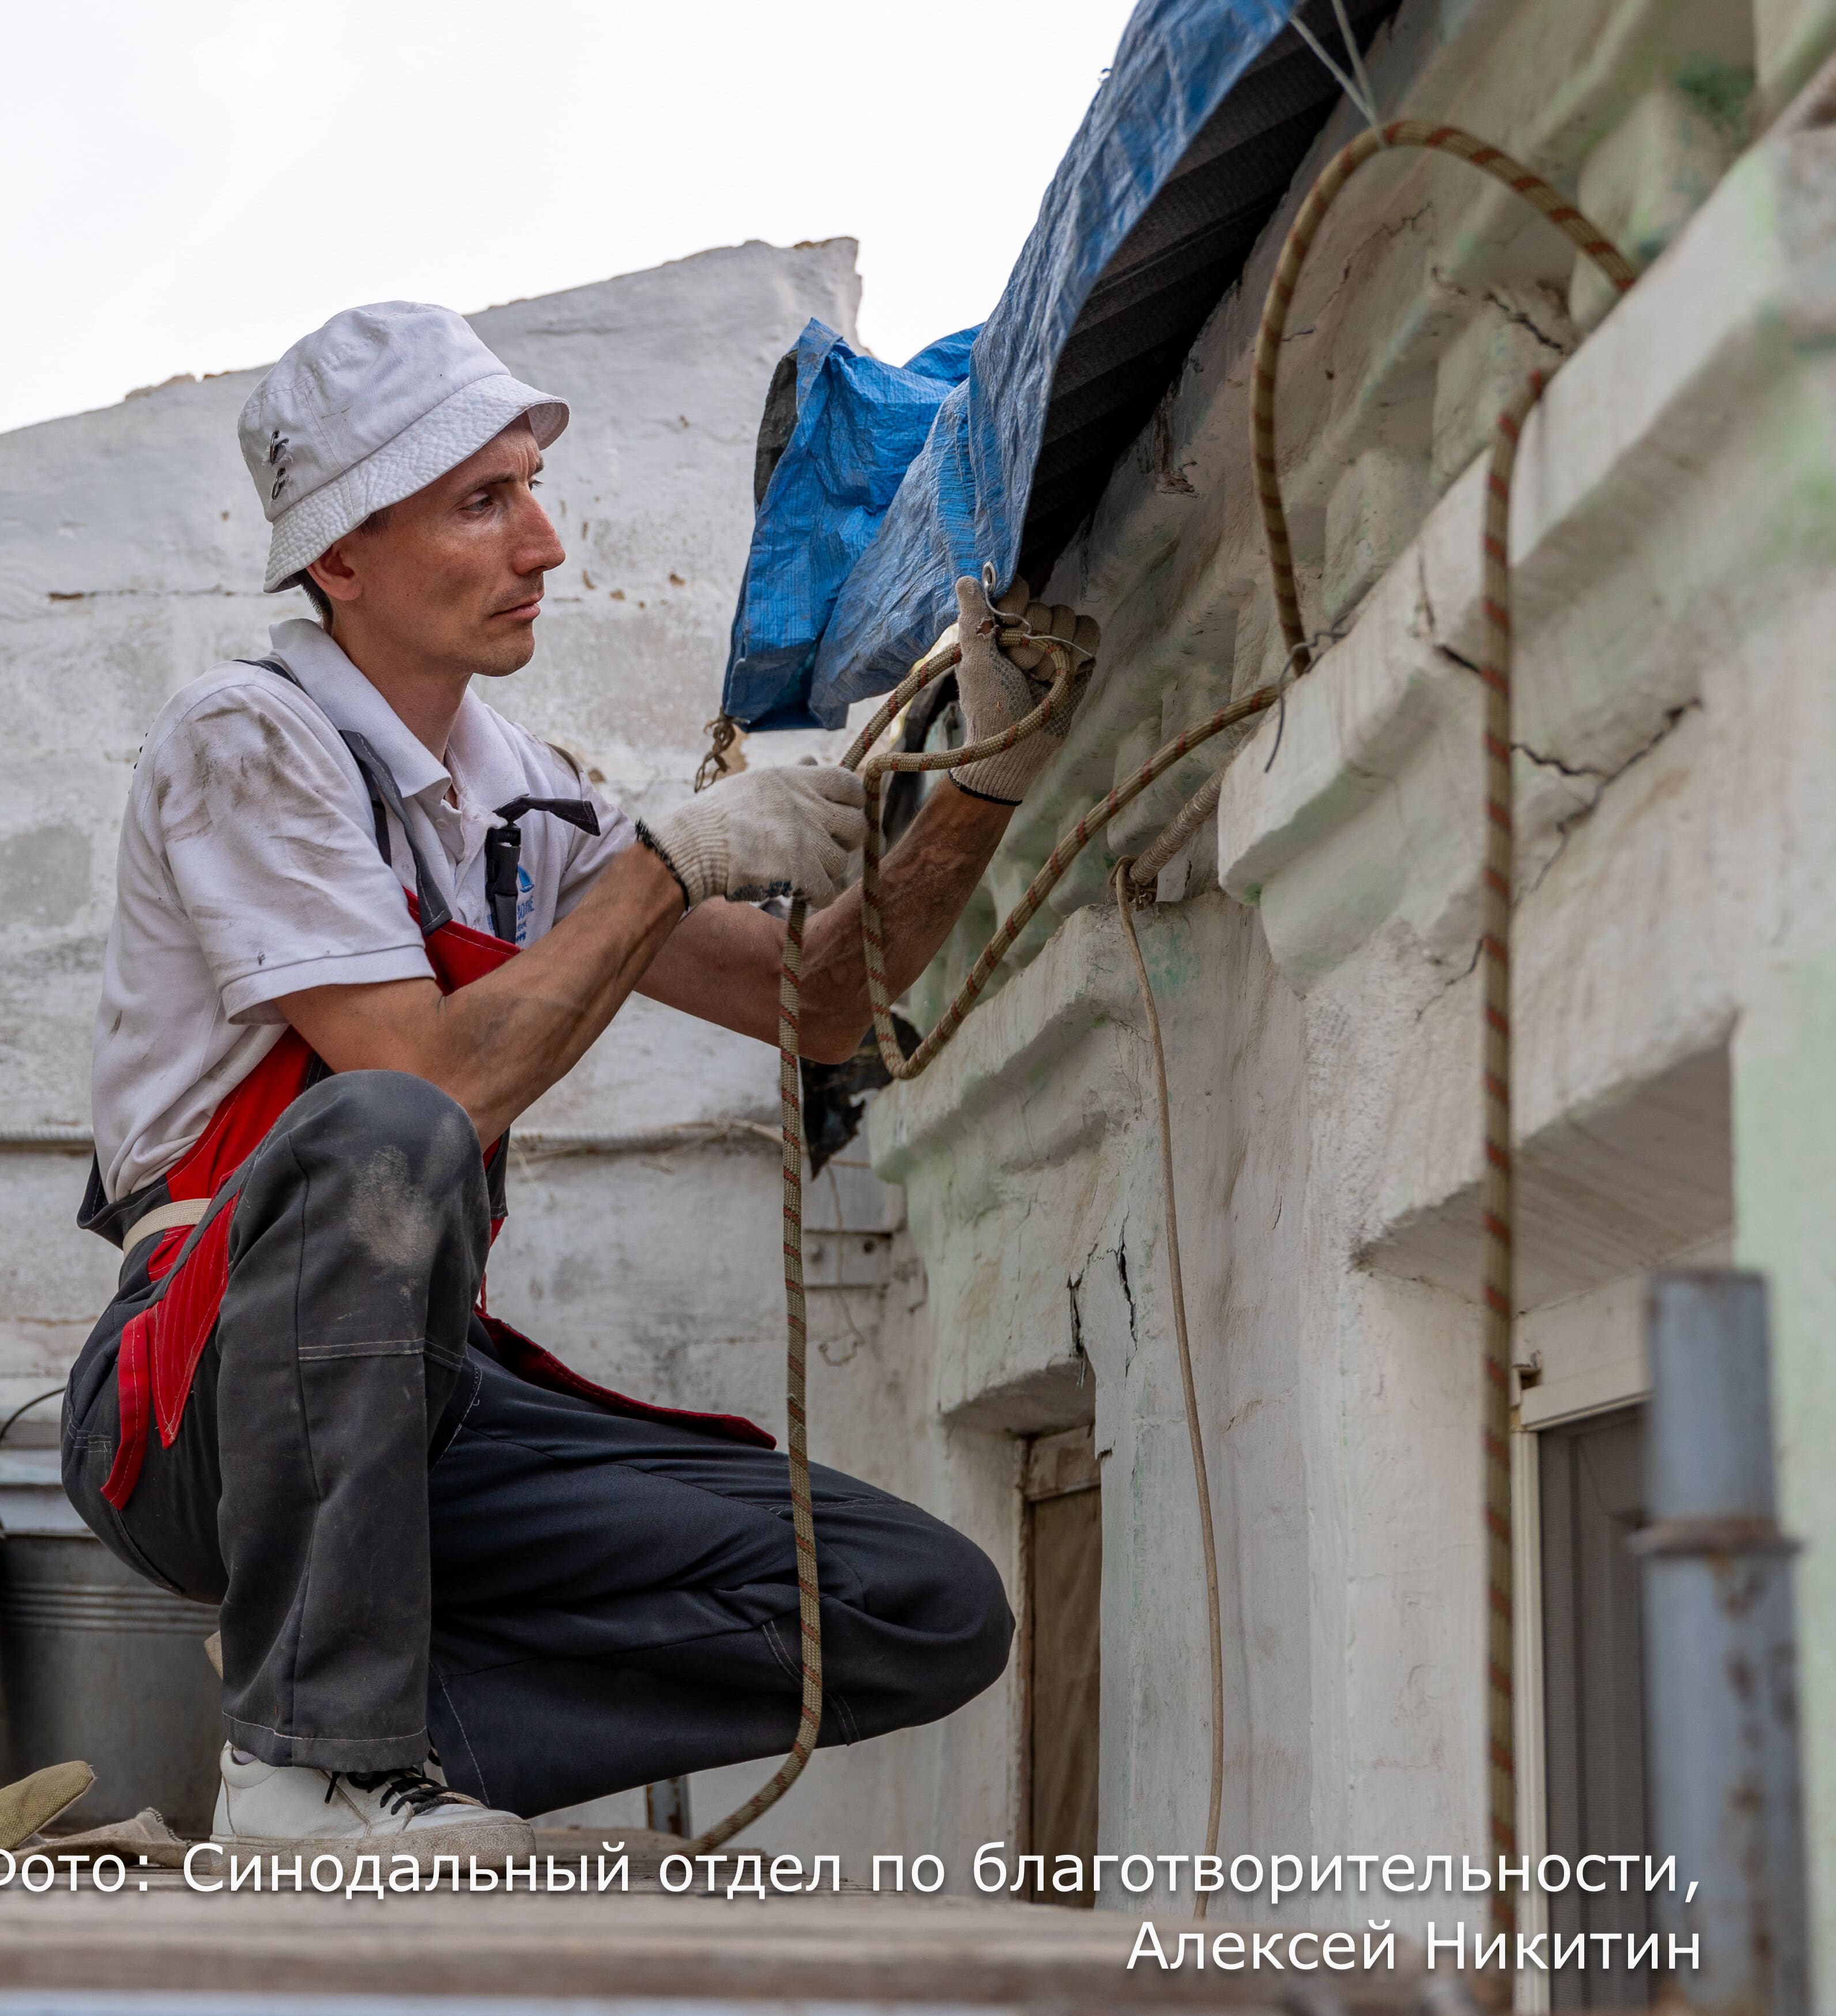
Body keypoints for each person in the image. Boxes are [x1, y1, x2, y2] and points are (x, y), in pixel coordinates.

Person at [65, 301, 1092, 1858]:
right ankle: (305, 1760)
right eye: (483, 500)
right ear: (339, 560)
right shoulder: (247, 739)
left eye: (531, 483)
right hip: (204, 1403)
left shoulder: (520, 792)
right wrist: (670, 866)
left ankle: (380, 1748)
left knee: (920, 1604)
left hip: (417, 1403)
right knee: (386, 1126)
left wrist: (985, 785)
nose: (543, 541)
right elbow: (415, 1084)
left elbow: (821, 1004)